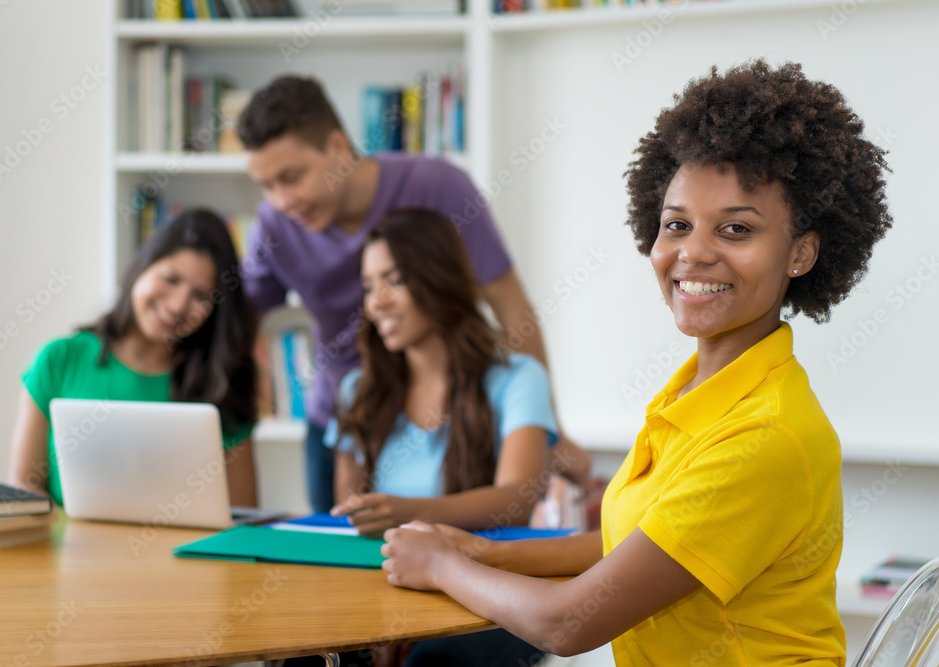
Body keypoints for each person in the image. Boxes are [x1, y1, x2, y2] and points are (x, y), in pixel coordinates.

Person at [380, 60, 893, 665]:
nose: (693, 252)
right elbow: (634, 543)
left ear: (800, 253)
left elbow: (567, 625)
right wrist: (486, 553)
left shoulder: (765, 435)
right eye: (676, 225)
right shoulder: (696, 392)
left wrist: (441, 565)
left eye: (735, 229)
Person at [235, 75, 592, 514]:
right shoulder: (274, 225)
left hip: (456, 413)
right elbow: (237, 321)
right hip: (352, 417)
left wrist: (547, 425)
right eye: (267, 186)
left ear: (337, 147)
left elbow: (509, 304)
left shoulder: (437, 187)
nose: (281, 201)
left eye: (291, 178)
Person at [327, 207, 554, 666]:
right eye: (368, 286)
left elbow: (517, 499)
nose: (377, 302)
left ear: (439, 277)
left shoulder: (518, 377)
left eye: (394, 280)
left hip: (490, 590)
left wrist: (410, 512)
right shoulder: (358, 390)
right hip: (386, 582)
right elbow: (348, 516)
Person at [8, 209, 261, 508]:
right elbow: (23, 489)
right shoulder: (60, 359)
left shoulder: (223, 382)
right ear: (143, 266)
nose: (178, 305)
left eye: (200, 296)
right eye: (171, 279)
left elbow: (243, 513)